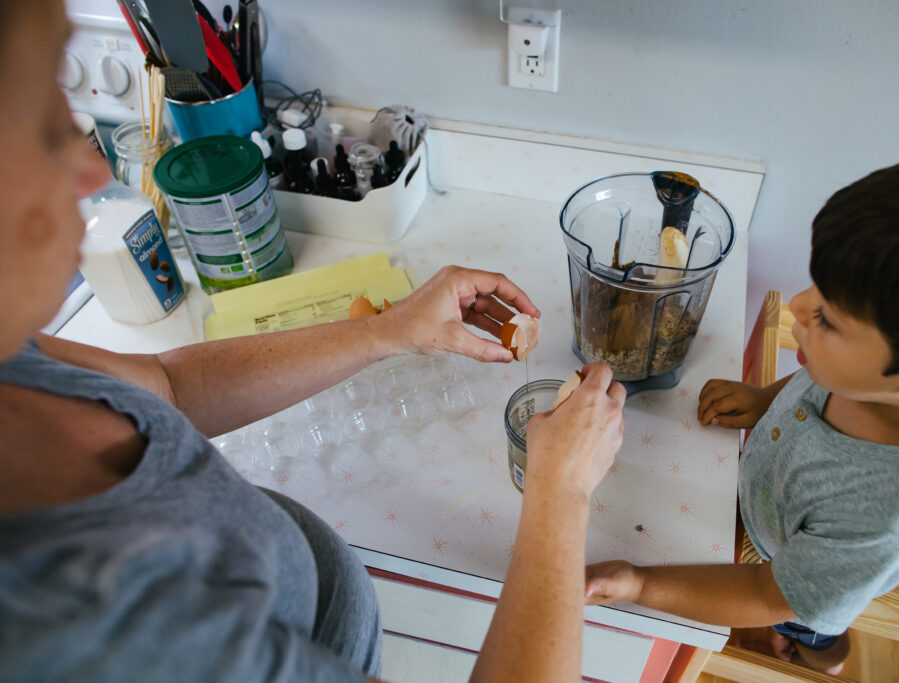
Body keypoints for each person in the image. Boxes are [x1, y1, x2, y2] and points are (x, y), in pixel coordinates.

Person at [0, 2, 625, 681]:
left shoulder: (15, 360)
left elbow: (167, 388)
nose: (93, 175)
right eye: (42, 124)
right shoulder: (74, 617)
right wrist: (560, 492)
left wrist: (389, 328)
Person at [584, 136, 899, 673]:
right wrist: (767, 397)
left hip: (787, 574)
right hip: (772, 497)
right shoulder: (889, 380)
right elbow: (826, 377)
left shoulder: (888, 519)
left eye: (830, 319)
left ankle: (827, 656)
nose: (798, 304)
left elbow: (769, 593)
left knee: (807, 625)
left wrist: (640, 583)